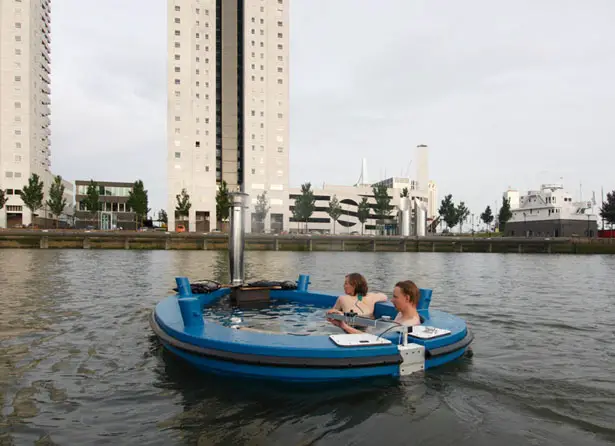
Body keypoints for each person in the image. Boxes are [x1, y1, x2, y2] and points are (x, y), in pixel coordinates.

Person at [330, 280, 421, 334]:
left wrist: (344, 326)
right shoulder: (401, 314)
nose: (392, 300)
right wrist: (342, 317)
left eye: (395, 297)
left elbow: (373, 339)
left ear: (407, 298)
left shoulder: (408, 324)